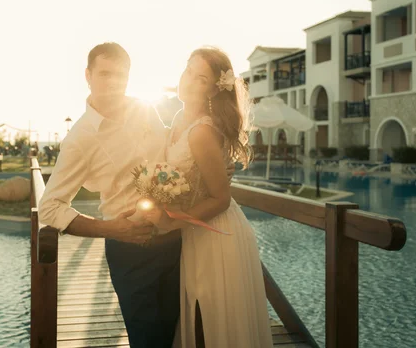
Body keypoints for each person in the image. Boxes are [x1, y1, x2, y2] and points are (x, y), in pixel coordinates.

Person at [38, 42, 181, 348]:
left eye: (121, 75)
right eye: (105, 74)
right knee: (148, 342)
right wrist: (110, 229)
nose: (114, 82)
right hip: (133, 250)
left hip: (178, 239)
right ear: (88, 75)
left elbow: (170, 156)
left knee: (177, 337)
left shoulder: (146, 109)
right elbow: (50, 207)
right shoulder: (80, 138)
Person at [143, 47, 273, 347]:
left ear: (214, 89)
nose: (187, 81)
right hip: (195, 232)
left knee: (212, 323)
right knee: (200, 318)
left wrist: (168, 222)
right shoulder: (178, 117)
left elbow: (221, 199)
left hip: (218, 235)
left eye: (200, 79)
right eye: (188, 70)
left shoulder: (202, 131)